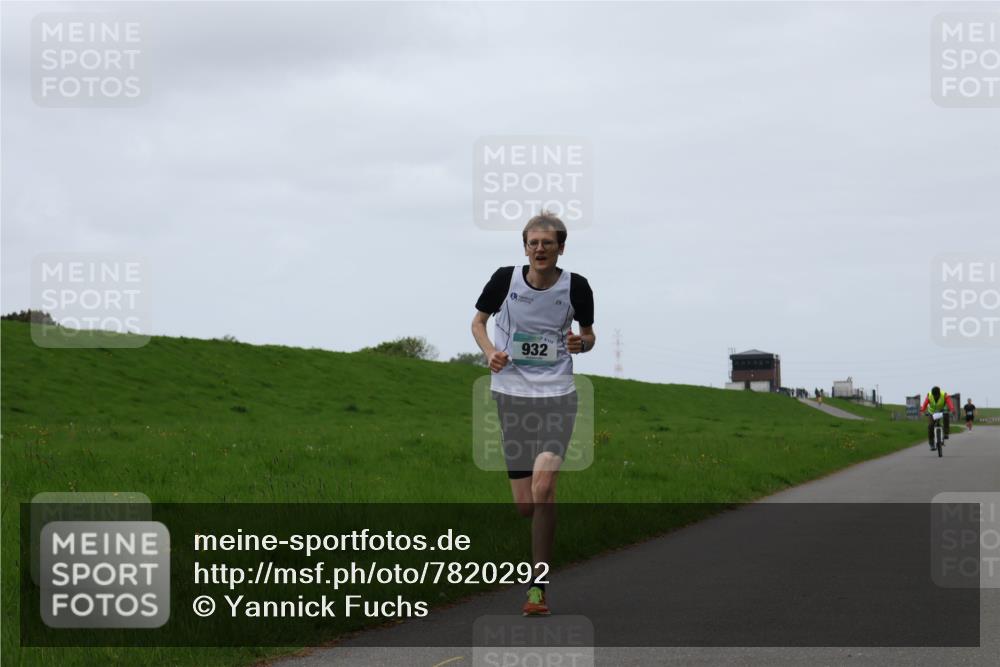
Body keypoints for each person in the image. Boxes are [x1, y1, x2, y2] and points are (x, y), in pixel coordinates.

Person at [471, 211, 595, 616]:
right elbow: (478, 323)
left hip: (558, 394)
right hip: (512, 396)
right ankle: (543, 526)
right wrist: (491, 354)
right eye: (532, 243)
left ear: (561, 246)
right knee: (526, 504)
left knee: (544, 488)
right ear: (525, 247)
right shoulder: (504, 280)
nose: (539, 249)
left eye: (547, 243)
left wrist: (583, 343)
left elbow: (589, 333)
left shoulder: (577, 286)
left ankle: (537, 587)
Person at [920, 386, 955, 450]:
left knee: (946, 416)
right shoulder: (929, 395)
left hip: (942, 410)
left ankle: (946, 433)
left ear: (939, 393)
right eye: (934, 395)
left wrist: (952, 410)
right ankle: (931, 444)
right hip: (932, 412)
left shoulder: (944, 395)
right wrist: (922, 411)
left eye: (937, 395)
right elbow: (925, 404)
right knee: (930, 426)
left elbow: (949, 402)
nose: (936, 396)